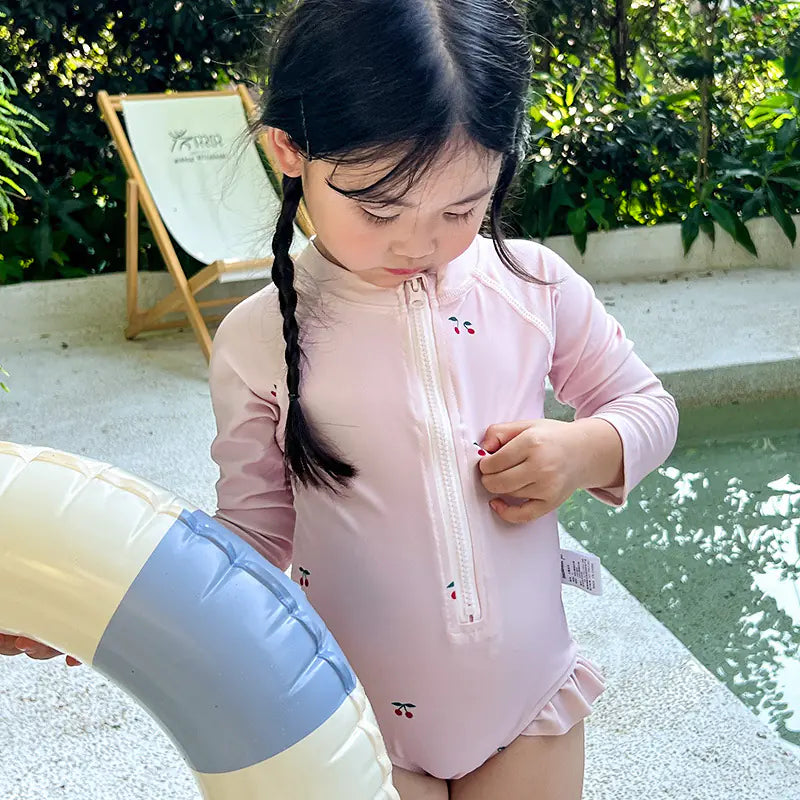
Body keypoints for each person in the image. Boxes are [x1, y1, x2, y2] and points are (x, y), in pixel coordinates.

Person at [2, 1, 679, 797]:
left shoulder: (532, 286)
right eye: (378, 208)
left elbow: (647, 406)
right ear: (290, 150)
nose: (418, 242)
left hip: (528, 710)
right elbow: (250, 540)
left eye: (462, 208)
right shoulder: (260, 339)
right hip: (356, 725)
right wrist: (90, 603)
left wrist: (588, 449)